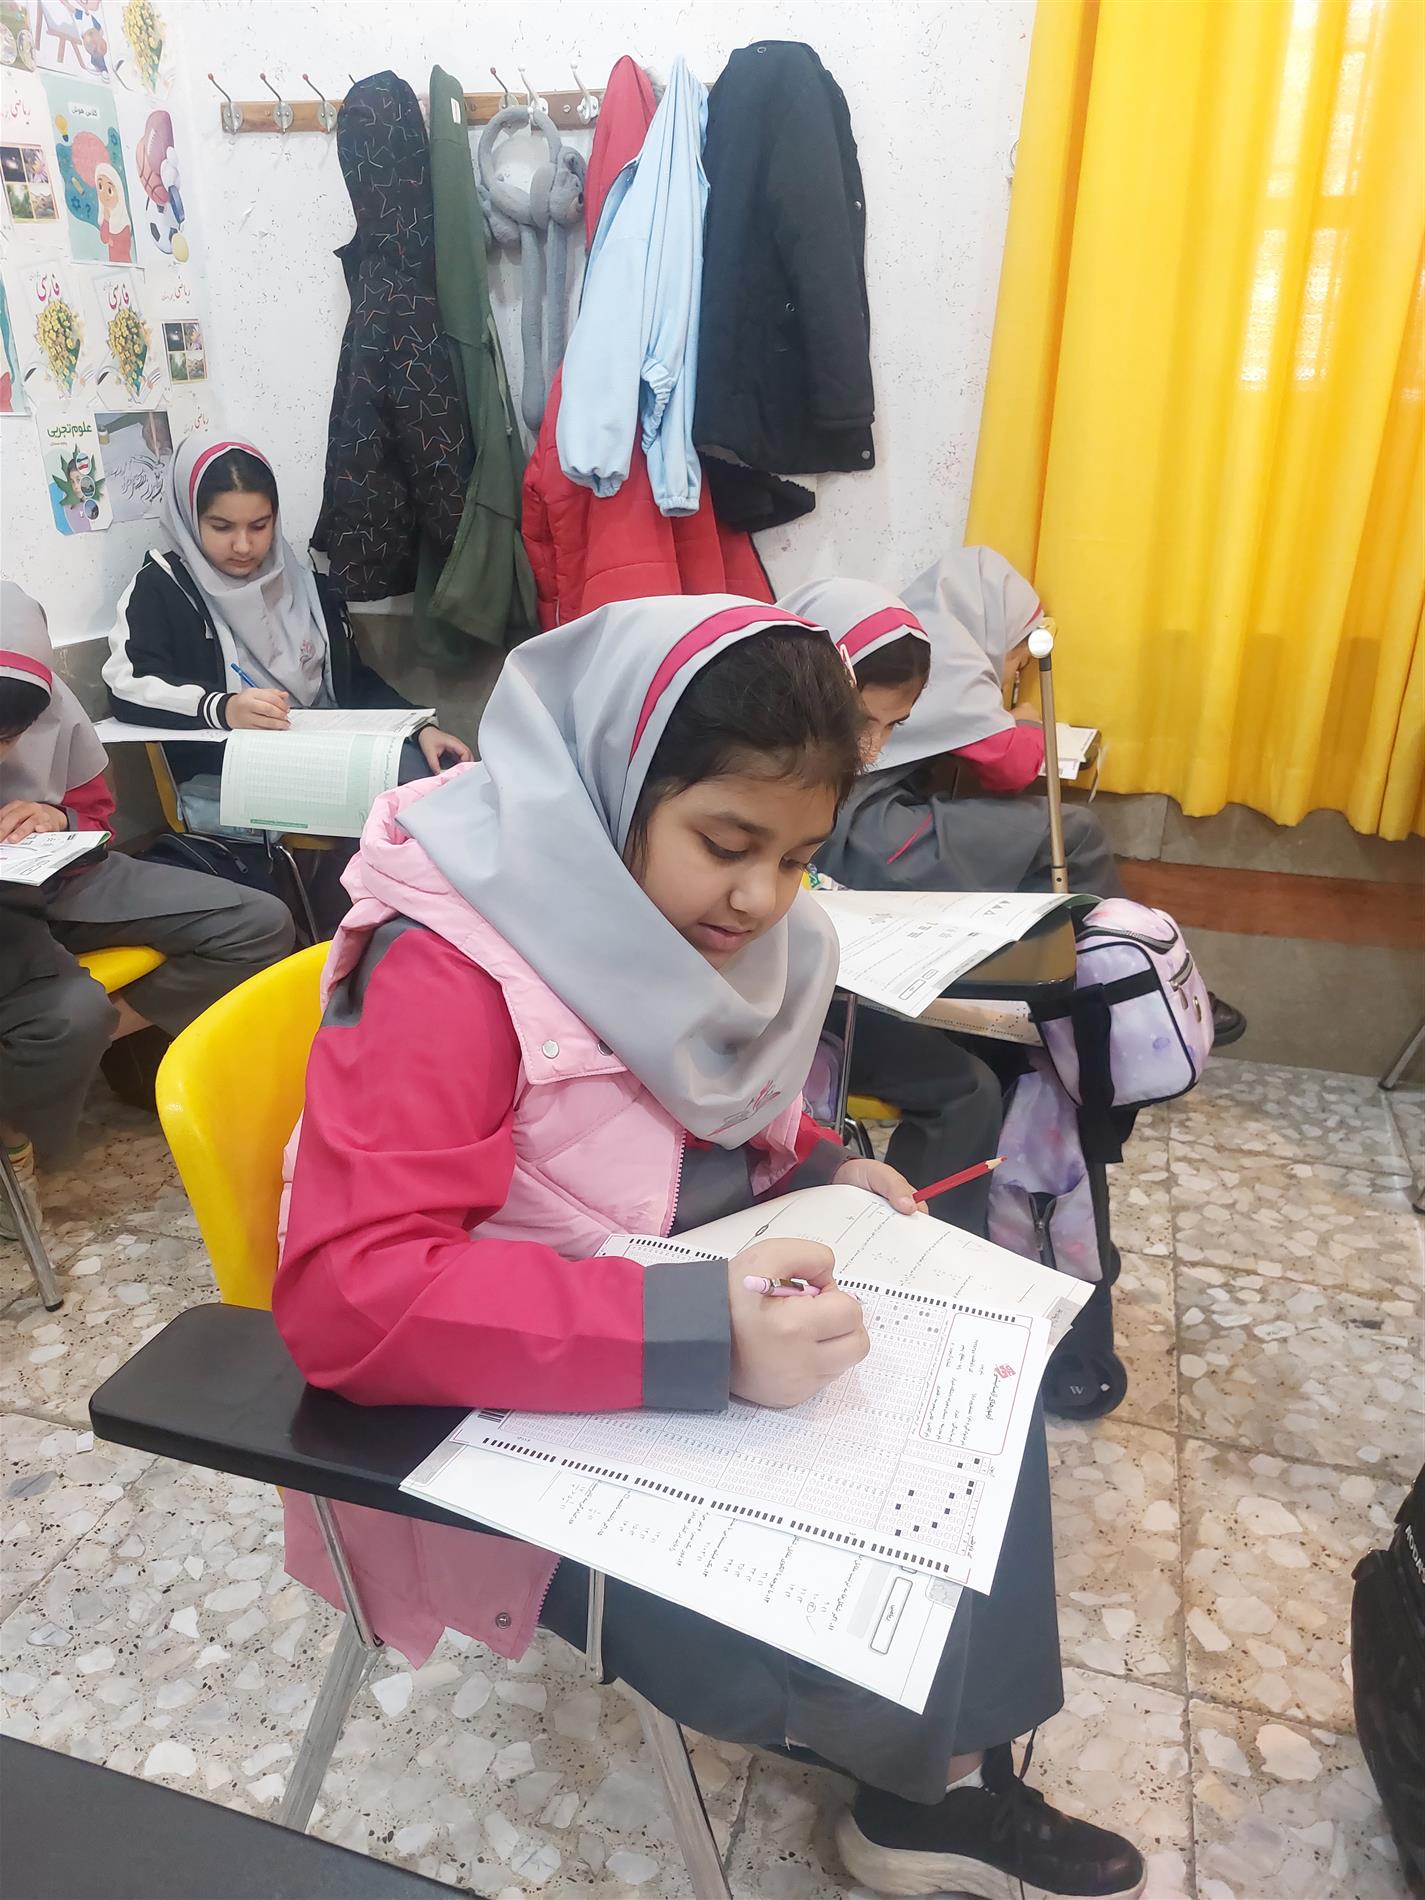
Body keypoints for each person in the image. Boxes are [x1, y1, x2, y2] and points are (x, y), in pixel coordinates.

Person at [272, 596, 1146, 1900]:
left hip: (642, 1313)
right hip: (496, 1417)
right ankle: (928, 1779)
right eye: (727, 844)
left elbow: (680, 1113)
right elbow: (354, 1296)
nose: (761, 898)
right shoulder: (443, 967)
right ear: (605, 786)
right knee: (881, 1533)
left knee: (975, 1398)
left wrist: (818, 1165)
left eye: (798, 858)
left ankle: (941, 1777)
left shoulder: (664, 922)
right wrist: (698, 1336)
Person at [803, 559, 1246, 1046]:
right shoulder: (940, 652)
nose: (1013, 672)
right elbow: (1009, 765)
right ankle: (1140, 982)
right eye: (1017, 660)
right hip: (868, 833)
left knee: (1029, 852)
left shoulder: (908, 635)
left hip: (864, 818)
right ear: (1001, 629)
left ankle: (1083, 998)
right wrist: (1028, 722)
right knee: (1073, 833)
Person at [0, 582, 294, 1233]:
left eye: (14, 735)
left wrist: (56, 817)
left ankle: (62, 1052)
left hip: (65, 876)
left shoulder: (52, 699)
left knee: (258, 924)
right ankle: (23, 1120)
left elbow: (95, 816)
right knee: (63, 1013)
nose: (5, 755)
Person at [783, 578, 1006, 1239]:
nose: (872, 750)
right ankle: (912, 1252)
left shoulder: (819, 774)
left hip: (812, 980)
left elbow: (803, 884)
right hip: (765, 998)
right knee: (966, 1090)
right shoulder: (764, 771)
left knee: (984, 1069)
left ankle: (914, 1248)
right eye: (861, 722)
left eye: (892, 727)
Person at [102, 433, 471, 833]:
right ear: (189, 518)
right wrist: (223, 709)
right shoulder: (162, 588)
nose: (243, 546)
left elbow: (354, 684)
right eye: (221, 527)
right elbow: (126, 688)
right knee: (417, 792)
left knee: (443, 774)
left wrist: (418, 728)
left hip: (329, 754)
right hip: (229, 775)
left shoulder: (305, 586)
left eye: (259, 526)